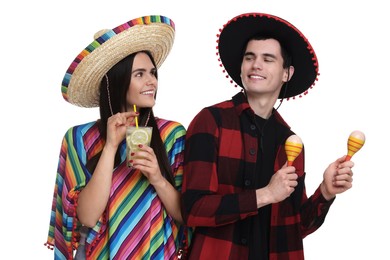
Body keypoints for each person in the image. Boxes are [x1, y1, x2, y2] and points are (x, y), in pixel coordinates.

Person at [181, 13, 355, 259]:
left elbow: (297, 227)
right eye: (249, 57)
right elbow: (194, 209)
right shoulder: (211, 121)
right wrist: (265, 195)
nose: (256, 65)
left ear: (287, 73)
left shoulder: (291, 143)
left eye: (268, 58)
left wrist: (326, 191)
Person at [45, 15, 190, 259]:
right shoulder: (79, 138)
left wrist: (156, 177)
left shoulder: (172, 135)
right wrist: (111, 147)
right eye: (139, 74)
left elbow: (186, 214)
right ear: (116, 81)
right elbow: (88, 217)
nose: (151, 81)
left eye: (153, 73)